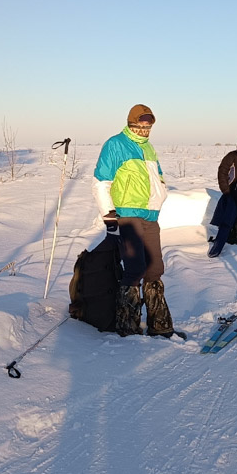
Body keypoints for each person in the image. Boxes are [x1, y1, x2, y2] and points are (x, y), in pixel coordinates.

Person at [93, 104, 175, 337]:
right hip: (127, 215)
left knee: (155, 269)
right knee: (135, 269)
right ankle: (127, 328)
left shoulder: (149, 149)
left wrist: (161, 192)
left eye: (148, 126)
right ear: (131, 124)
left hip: (150, 214)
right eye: (140, 125)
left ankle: (160, 326)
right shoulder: (115, 144)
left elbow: (157, 177)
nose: (144, 129)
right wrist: (109, 215)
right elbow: (101, 182)